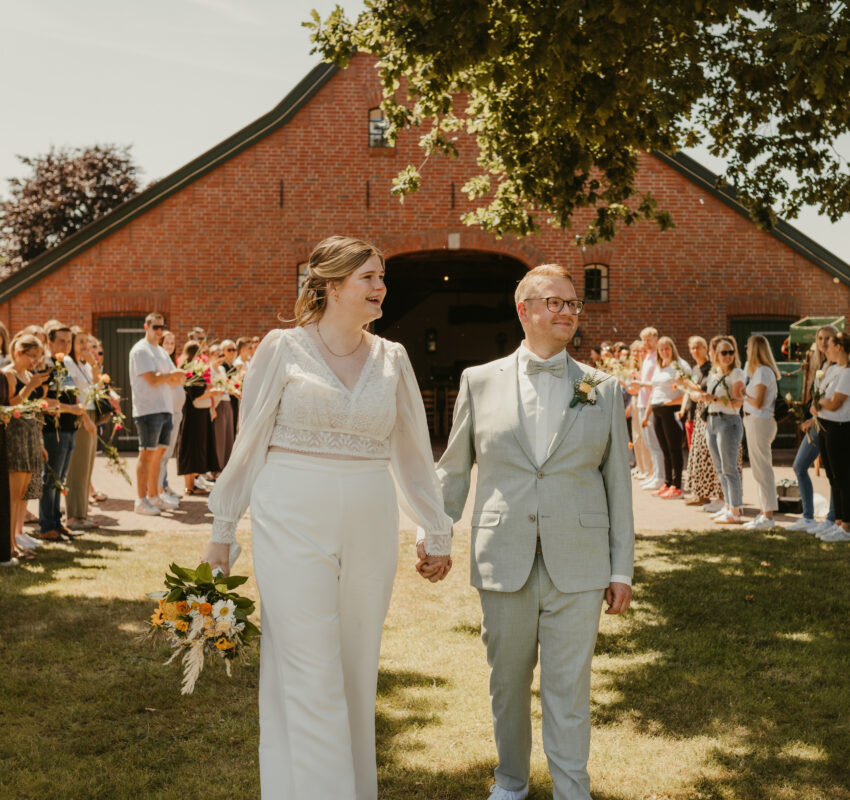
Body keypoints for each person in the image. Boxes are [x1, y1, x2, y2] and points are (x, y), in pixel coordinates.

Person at [200, 236, 451, 800]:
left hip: (369, 518)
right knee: (307, 664)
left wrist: (434, 528)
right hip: (290, 516)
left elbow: (412, 449)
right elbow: (250, 441)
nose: (380, 286)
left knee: (356, 666)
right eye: (368, 276)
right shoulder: (281, 347)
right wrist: (223, 530)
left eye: (381, 276)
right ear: (331, 285)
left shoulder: (394, 358)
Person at [422, 263, 633, 800]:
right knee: (507, 686)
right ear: (525, 310)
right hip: (503, 555)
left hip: (580, 562)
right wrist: (437, 533)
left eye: (573, 304)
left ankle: (571, 789)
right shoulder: (479, 380)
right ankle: (511, 783)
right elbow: (452, 469)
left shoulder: (602, 388)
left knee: (570, 689)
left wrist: (620, 567)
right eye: (555, 302)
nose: (567, 312)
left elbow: (617, 484)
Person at [128, 312, 184, 516]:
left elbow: (178, 380)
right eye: (155, 327)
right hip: (148, 409)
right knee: (147, 454)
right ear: (146, 327)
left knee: (159, 455)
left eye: (162, 327)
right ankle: (140, 500)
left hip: (166, 408)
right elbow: (152, 379)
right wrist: (169, 377)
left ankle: (154, 496)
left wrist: (169, 377)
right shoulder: (141, 350)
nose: (159, 331)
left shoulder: (161, 351)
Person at [2, 334, 53, 559]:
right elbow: (10, 405)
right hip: (14, 436)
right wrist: (30, 386)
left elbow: (33, 408)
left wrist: (40, 442)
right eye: (32, 356)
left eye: (38, 357)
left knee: (22, 494)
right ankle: (9, 545)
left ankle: (15, 539)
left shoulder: (29, 374)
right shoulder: (9, 374)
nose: (35, 362)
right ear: (19, 352)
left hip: (30, 435)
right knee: (12, 496)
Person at [39, 322, 88, 541]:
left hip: (70, 429)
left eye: (69, 341)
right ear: (49, 341)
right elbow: (44, 401)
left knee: (60, 479)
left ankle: (57, 522)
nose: (66, 345)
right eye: (61, 341)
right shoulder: (46, 365)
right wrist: (71, 408)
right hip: (53, 431)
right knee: (51, 479)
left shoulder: (64, 364)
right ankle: (46, 525)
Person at [788, 325, 838, 533]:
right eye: (820, 338)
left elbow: (836, 401)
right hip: (818, 424)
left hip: (832, 425)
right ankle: (808, 517)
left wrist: (814, 417)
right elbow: (818, 399)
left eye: (828, 338)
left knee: (834, 473)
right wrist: (811, 413)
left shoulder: (840, 366)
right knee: (799, 466)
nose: (824, 342)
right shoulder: (822, 364)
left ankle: (833, 518)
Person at [700, 336, 746, 525]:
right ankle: (727, 506)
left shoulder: (737, 373)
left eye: (731, 352)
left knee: (729, 469)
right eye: (724, 352)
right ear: (716, 355)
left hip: (728, 421)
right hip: (712, 421)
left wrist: (714, 400)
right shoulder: (715, 374)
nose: (728, 356)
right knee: (720, 469)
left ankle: (735, 510)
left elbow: (738, 401)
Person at [811, 331, 850, 542]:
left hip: (840, 427)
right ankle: (838, 521)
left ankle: (846, 526)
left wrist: (822, 402)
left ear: (839, 347)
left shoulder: (847, 372)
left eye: (831, 344)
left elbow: (835, 403)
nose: (826, 347)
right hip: (825, 425)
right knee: (832, 477)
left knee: (843, 477)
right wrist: (819, 403)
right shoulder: (833, 368)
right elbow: (821, 396)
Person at [741, 334, 781, 530]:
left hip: (759, 421)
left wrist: (742, 395)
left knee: (763, 469)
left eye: (748, 347)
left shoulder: (763, 372)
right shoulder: (759, 371)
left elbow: (758, 402)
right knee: (759, 470)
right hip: (754, 421)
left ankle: (768, 516)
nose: (745, 350)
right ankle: (764, 511)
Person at [642, 336, 689, 498]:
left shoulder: (680, 366)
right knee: (664, 449)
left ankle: (677, 486)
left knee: (674, 449)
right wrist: (647, 413)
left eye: (666, 349)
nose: (664, 352)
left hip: (671, 411)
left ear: (673, 349)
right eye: (661, 349)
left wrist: (671, 402)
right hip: (657, 410)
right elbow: (654, 390)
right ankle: (667, 482)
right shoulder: (660, 366)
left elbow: (687, 391)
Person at [64, 329, 101, 531]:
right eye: (80, 342)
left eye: (87, 341)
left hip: (91, 413)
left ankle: (82, 513)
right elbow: (73, 394)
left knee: (87, 467)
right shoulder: (68, 363)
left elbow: (96, 382)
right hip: (80, 416)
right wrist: (85, 418)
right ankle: (73, 516)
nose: (85, 345)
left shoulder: (83, 364)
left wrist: (93, 362)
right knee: (77, 468)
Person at [176, 340, 222, 495]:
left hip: (198, 413)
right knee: (191, 447)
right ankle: (189, 486)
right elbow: (195, 394)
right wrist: (212, 393)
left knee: (197, 448)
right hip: (193, 414)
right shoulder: (192, 369)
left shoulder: (194, 368)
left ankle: (192, 485)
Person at [681, 336, 716, 506]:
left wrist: (688, 385)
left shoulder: (710, 368)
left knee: (705, 457)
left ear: (705, 348)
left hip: (705, 416)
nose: (695, 351)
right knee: (694, 456)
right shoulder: (695, 368)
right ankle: (698, 493)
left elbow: (705, 390)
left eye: (698, 347)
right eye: (692, 348)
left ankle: (705, 494)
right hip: (692, 414)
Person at [636, 327, 665, 490]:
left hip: (651, 404)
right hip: (642, 401)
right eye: (644, 339)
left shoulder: (657, 358)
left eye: (649, 339)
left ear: (656, 339)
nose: (646, 342)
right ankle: (655, 474)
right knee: (648, 442)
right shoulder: (646, 357)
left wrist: (640, 383)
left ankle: (660, 476)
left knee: (655, 442)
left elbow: (655, 384)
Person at [157, 329, 184, 503]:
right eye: (166, 342)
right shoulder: (161, 361)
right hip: (167, 412)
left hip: (176, 412)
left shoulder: (171, 362)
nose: (170, 346)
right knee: (162, 454)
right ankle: (159, 489)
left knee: (167, 455)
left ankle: (164, 484)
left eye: (172, 343)